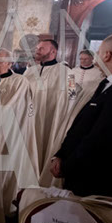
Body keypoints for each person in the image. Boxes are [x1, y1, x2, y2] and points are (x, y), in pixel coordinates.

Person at [51, 31, 112, 207]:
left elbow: (99, 137)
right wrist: (62, 154)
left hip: (100, 182)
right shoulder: (103, 80)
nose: (86, 61)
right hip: (72, 110)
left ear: (107, 55)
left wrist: (67, 166)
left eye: (97, 53)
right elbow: (84, 123)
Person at [0, 48, 39, 223]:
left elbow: (13, 106)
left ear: (10, 63)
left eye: (0, 61)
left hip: (8, 134)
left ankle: (4, 213)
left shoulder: (19, 82)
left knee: (4, 175)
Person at [23, 39, 73, 182]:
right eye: (37, 48)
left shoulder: (67, 72)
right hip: (29, 120)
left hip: (51, 120)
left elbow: (73, 96)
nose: (37, 51)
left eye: (41, 48)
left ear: (53, 51)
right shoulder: (30, 71)